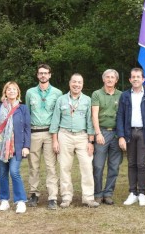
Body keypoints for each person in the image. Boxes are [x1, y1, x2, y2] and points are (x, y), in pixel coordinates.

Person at [50, 73, 99, 208]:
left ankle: (88, 198)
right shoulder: (61, 100)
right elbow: (55, 121)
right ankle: (66, 197)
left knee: (87, 167)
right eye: (74, 82)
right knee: (64, 167)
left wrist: (91, 141)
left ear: (82, 85)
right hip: (64, 135)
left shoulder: (87, 100)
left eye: (79, 82)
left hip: (83, 136)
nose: (76, 84)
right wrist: (55, 140)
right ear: (70, 83)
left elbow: (90, 121)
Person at [0, 81, 31, 214]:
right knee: (3, 174)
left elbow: (27, 129)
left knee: (14, 172)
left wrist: (26, 146)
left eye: (14, 89)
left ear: (18, 92)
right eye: (9, 89)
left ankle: (20, 201)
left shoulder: (23, 109)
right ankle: (4, 200)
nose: (11, 91)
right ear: (5, 92)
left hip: (17, 147)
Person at [25, 64, 63, 210]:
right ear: (37, 75)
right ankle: (34, 194)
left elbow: (58, 115)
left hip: (50, 133)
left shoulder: (57, 93)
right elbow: (27, 113)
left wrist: (55, 136)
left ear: (50, 75)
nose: (43, 76)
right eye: (40, 73)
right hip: (34, 132)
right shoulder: (30, 93)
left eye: (46, 73)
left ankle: (52, 197)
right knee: (33, 165)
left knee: (51, 166)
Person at [116, 67, 145, 206]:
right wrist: (121, 135)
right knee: (131, 163)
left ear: (143, 79)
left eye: (138, 76)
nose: (136, 79)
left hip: (144, 133)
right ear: (130, 79)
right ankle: (133, 192)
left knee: (141, 164)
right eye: (133, 77)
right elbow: (120, 115)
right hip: (129, 132)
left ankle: (142, 193)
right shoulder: (125, 95)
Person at [91, 69, 123, 205]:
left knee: (114, 166)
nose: (110, 79)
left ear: (116, 80)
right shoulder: (97, 94)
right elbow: (94, 115)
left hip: (116, 133)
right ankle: (97, 193)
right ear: (103, 79)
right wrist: (97, 133)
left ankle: (108, 193)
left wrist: (122, 135)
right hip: (102, 132)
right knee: (98, 165)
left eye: (112, 77)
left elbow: (123, 116)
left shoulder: (121, 95)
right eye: (107, 77)